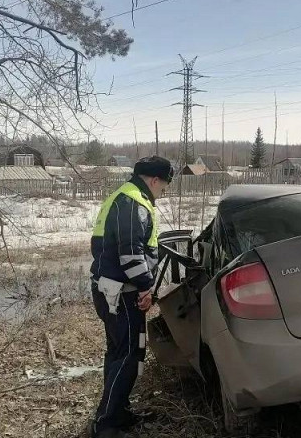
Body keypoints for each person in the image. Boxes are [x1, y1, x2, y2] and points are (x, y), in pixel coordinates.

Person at [88, 156, 173, 438]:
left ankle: (117, 411)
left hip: (111, 290)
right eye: (164, 185)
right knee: (129, 355)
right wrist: (146, 287)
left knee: (117, 353)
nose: (164, 191)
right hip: (123, 294)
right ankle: (107, 424)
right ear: (154, 180)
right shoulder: (133, 203)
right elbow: (131, 254)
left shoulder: (123, 197)